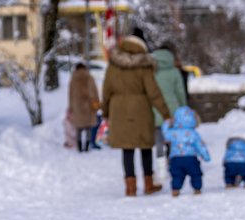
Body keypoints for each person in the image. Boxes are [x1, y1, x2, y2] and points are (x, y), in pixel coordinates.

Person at [102, 31, 171, 197]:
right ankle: (148, 184)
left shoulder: (113, 65)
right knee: (145, 147)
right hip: (141, 110)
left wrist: (105, 112)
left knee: (127, 149)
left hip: (118, 110)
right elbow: (154, 92)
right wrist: (166, 113)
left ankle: (130, 188)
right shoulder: (144, 65)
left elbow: (106, 91)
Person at [152, 44, 187, 183]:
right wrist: (183, 109)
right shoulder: (174, 71)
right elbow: (180, 92)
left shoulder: (152, 71)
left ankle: (161, 168)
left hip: (155, 108)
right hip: (173, 110)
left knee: (158, 139)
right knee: (173, 139)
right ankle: (172, 164)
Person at [161, 106, 211, 197]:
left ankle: (175, 189)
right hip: (190, 158)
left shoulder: (173, 132)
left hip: (176, 159)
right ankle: (197, 188)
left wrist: (166, 123)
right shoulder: (193, 133)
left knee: (176, 175)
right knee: (196, 174)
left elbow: (165, 134)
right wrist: (206, 156)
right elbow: (200, 145)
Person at [68, 63, 100, 152]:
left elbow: (70, 94)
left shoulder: (73, 79)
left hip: (77, 105)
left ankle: (79, 147)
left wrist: (71, 106)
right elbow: (95, 91)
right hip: (88, 105)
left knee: (79, 127)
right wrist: (97, 104)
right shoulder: (90, 77)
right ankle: (86, 146)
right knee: (88, 127)